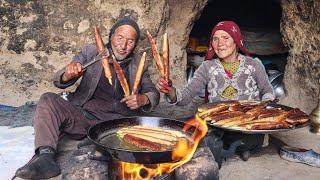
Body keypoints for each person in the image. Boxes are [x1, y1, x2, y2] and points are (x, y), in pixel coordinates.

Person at [15, 17, 160, 179]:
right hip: (85, 117)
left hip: (119, 125)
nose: (123, 45)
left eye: (130, 41)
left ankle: (99, 145)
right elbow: (58, 79)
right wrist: (68, 74)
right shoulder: (91, 52)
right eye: (120, 38)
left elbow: (153, 92)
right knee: (48, 99)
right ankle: (46, 157)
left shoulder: (138, 62)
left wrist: (144, 99)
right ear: (111, 36)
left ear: (134, 45)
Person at [157, 21, 275, 159]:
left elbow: (268, 91)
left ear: (236, 41)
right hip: (218, 124)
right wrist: (170, 91)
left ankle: (234, 146)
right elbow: (186, 97)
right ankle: (235, 148)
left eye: (226, 38)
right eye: (215, 38)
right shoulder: (207, 67)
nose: (220, 43)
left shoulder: (254, 65)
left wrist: (264, 107)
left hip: (246, 125)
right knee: (185, 128)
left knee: (241, 139)